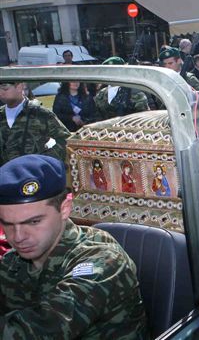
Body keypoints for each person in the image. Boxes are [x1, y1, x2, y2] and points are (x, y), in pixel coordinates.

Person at [0, 154, 148, 338]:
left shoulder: (102, 260)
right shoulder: (12, 263)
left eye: (34, 222)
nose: (18, 237)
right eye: (7, 224)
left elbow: (44, 329)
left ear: (64, 209)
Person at [0, 82, 70, 166]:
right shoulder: (1, 115)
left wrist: (44, 160)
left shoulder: (39, 113)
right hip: (5, 175)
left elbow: (67, 140)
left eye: (4, 88)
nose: (1, 92)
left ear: (19, 87)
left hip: (34, 174)